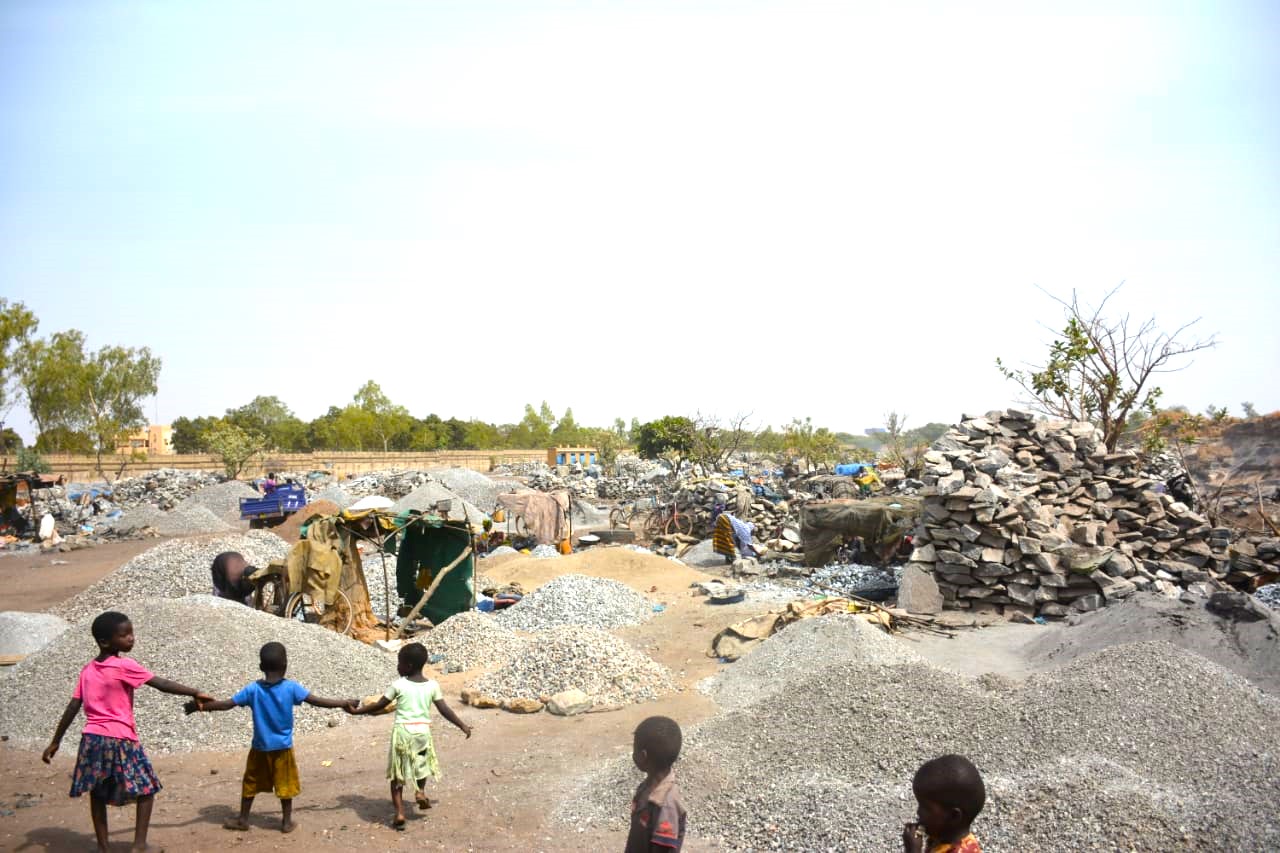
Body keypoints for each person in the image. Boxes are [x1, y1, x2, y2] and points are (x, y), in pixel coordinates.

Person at [42, 611, 213, 853]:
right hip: (121, 739)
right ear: (105, 642)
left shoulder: (87, 670)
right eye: (124, 635)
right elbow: (160, 684)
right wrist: (194, 691)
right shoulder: (124, 666)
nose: (131, 638)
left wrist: (55, 741)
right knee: (146, 789)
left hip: (91, 740)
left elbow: (73, 706)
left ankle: (103, 847)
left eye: (131, 633)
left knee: (98, 793)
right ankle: (139, 845)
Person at [183, 642, 354, 833]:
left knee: (250, 782)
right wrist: (343, 703)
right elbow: (318, 701)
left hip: (260, 748)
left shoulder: (253, 689)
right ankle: (286, 822)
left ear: (261, 667)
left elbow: (226, 705)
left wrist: (201, 707)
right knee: (285, 784)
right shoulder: (291, 688)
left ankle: (243, 819)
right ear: (285, 665)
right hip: (283, 748)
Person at [349, 642, 472, 830]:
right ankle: (420, 791)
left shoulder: (398, 685)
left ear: (408, 666)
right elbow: (444, 709)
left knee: (397, 775)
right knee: (422, 766)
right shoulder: (432, 685)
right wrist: (462, 725)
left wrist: (357, 712)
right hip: (422, 733)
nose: (397, 667)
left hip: (403, 733)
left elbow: (380, 705)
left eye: (399, 663)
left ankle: (399, 813)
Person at [626, 715, 687, 852]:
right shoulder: (646, 787)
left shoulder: (666, 806)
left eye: (634, 750)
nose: (632, 754)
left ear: (643, 756)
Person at [902, 754, 986, 853]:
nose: (918, 812)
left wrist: (913, 850)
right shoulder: (942, 834)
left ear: (953, 816)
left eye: (927, 808)